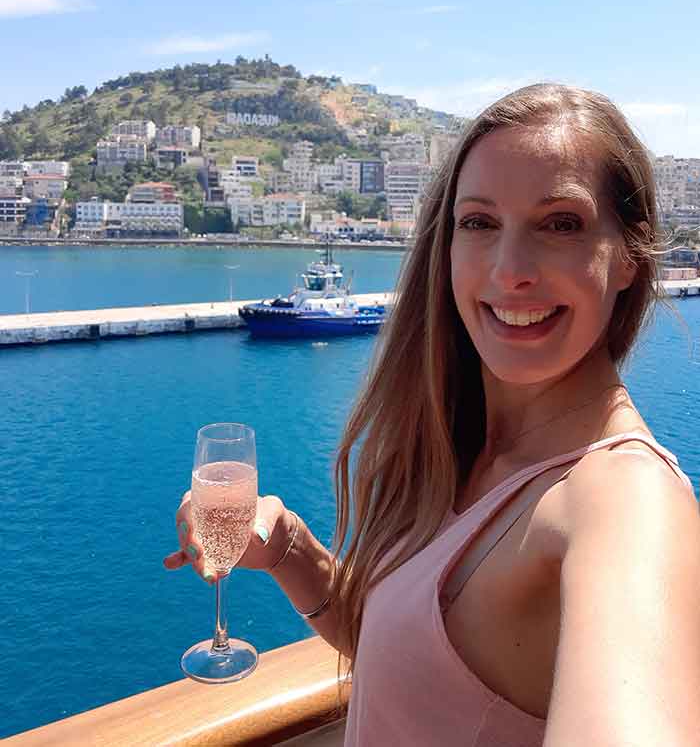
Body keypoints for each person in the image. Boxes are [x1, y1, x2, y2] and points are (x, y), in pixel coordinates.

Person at [164, 83, 700, 745]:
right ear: (445, 246)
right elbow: (403, 650)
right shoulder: (472, 447)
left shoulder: (624, 501)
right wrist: (288, 548)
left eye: (560, 222)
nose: (510, 270)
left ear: (628, 254)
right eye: (479, 222)